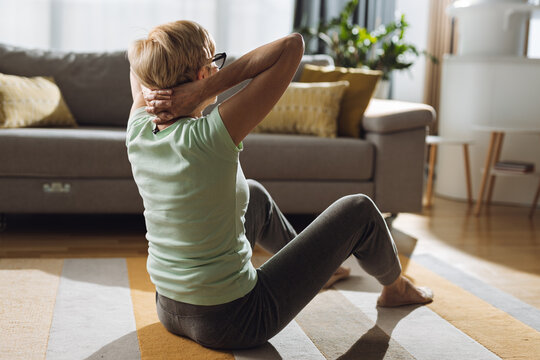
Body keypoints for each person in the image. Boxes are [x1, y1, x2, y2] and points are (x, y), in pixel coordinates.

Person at [126, 20, 433, 350]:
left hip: (168, 308)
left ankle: (324, 272)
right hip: (234, 320)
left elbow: (133, 61)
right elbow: (292, 46)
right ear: (204, 73)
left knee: (252, 192)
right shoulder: (213, 134)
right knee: (359, 209)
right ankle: (396, 288)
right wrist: (201, 91)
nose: (218, 69)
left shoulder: (138, 127)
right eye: (215, 63)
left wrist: (171, 87)